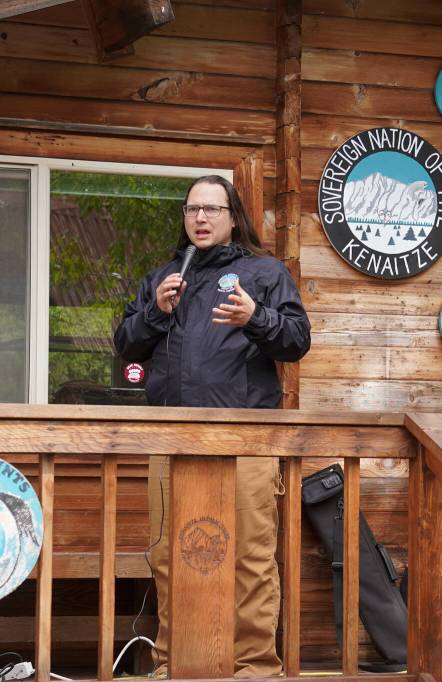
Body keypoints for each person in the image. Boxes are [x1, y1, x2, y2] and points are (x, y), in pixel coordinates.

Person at [113, 175, 311, 678]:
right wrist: (155, 313)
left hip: (245, 440)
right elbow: (125, 346)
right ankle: (174, 664)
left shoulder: (264, 274)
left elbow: (296, 341)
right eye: (192, 209)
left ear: (232, 216)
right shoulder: (164, 278)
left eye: (211, 209)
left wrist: (256, 316)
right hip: (171, 439)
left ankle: (254, 667)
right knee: (170, 557)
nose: (200, 218)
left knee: (250, 557)